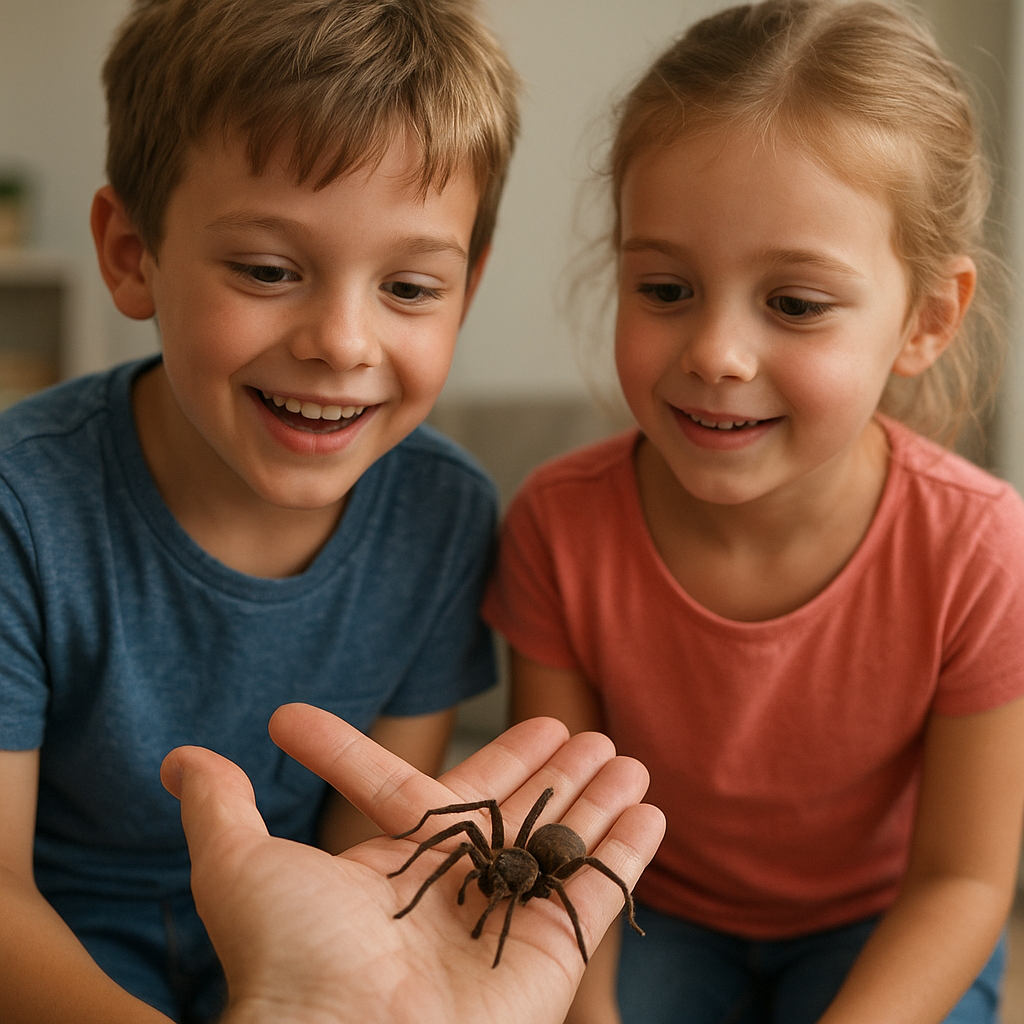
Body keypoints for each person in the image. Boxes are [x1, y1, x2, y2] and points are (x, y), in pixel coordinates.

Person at [483, 2, 1024, 1022]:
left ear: (925, 319)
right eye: (667, 287)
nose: (715, 354)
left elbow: (961, 882)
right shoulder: (559, 525)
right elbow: (565, 839)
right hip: (647, 911)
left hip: (879, 920)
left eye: (794, 303)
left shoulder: (979, 548)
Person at [0, 1, 519, 1021]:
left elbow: (364, 853)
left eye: (410, 286)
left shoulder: (443, 513)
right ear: (132, 252)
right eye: (269, 271)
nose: (340, 340)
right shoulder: (23, 508)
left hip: (302, 931)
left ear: (468, 288)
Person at [161, 703, 667, 1024]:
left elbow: (521, 896)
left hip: (554, 852)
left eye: (496, 884)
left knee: (593, 880)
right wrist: (409, 859)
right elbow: (470, 822)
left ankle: (627, 911)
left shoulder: (538, 884)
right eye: (489, 871)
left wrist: (624, 910)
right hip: (528, 845)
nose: (491, 880)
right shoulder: (487, 852)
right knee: (472, 824)